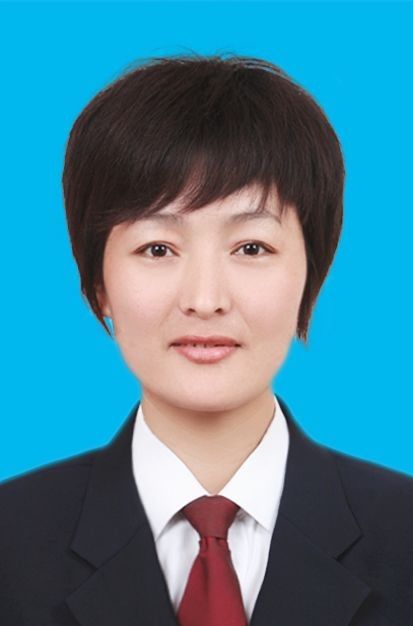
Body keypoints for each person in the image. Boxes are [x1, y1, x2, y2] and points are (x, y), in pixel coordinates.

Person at [0, 53, 412, 626]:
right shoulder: (10, 542)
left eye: (251, 248)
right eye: (157, 248)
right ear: (98, 285)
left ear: (310, 275)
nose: (205, 298)